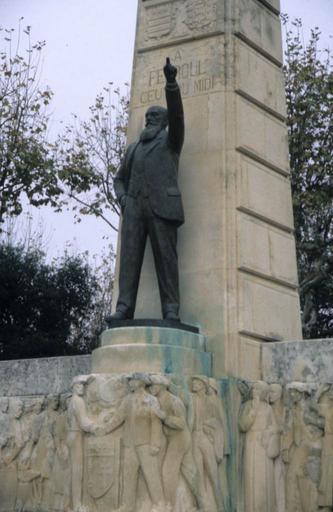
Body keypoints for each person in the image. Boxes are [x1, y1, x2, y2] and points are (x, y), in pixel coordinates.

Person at [111, 57, 185, 322]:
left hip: (162, 208)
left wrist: (171, 84)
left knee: (166, 260)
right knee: (129, 261)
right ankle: (123, 308)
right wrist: (123, 199)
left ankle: (171, 309)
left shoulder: (171, 141)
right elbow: (119, 178)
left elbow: (177, 115)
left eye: (155, 117)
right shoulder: (133, 149)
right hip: (134, 209)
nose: (150, 120)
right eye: (148, 117)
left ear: (163, 123)